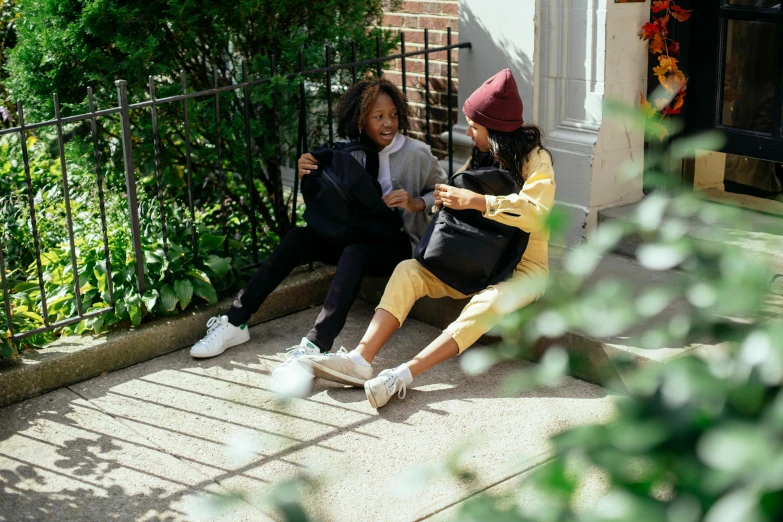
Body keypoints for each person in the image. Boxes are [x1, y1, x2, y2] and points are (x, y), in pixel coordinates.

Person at [299, 69, 555, 408]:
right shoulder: (482, 154)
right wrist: (435, 202)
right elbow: (458, 207)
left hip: (522, 270)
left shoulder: (537, 160)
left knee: (487, 303)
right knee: (409, 270)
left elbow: (536, 211)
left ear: (493, 130)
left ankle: (403, 374)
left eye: (474, 127)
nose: (469, 132)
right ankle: (362, 359)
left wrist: (475, 201)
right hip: (475, 258)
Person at [190, 79, 447, 374]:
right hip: (353, 234)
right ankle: (235, 322)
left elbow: (443, 191)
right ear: (360, 120)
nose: (388, 123)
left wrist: (416, 203)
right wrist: (307, 170)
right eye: (378, 116)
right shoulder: (346, 154)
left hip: (396, 244)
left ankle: (316, 345)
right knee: (298, 238)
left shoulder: (416, 152)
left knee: (355, 252)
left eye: (393, 115)